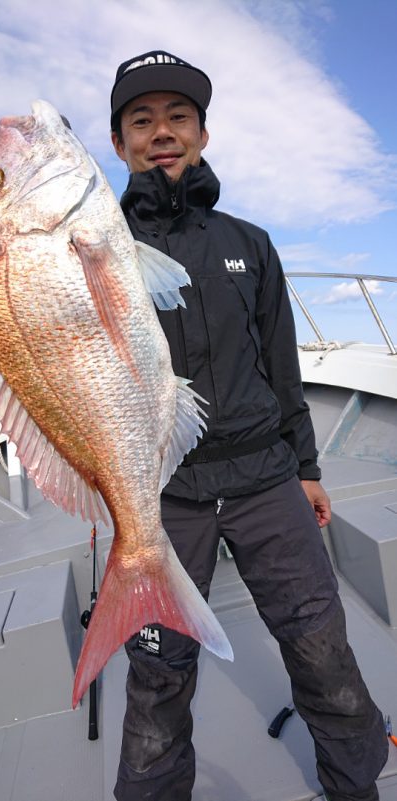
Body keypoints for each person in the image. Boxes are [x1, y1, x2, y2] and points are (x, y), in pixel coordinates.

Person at [109, 50, 388, 801]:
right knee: (158, 675)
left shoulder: (250, 243)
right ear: (119, 143)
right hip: (161, 496)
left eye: (178, 117)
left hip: (268, 480)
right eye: (141, 120)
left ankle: (356, 784)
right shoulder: (95, 252)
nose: (161, 132)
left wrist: (307, 468)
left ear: (201, 132)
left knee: (321, 646)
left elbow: (281, 367)